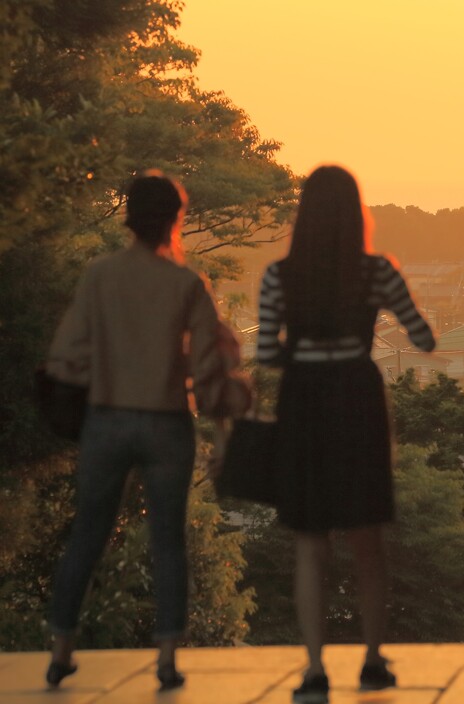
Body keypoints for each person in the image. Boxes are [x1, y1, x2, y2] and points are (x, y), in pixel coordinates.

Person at [44, 171, 251, 691]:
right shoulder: (186, 284)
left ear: (128, 217)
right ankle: (165, 660)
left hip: (107, 418)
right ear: (175, 220)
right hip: (165, 421)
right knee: (167, 542)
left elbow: (65, 358)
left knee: (87, 536)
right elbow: (209, 368)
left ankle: (61, 651)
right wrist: (219, 431)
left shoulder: (99, 276)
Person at [256, 165, 435, 701]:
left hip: (304, 397)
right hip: (357, 395)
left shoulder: (279, 275)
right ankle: (373, 660)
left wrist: (301, 351)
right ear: (358, 214)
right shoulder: (376, 271)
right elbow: (422, 339)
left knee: (310, 539)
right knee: (367, 535)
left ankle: (314, 668)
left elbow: (266, 353)